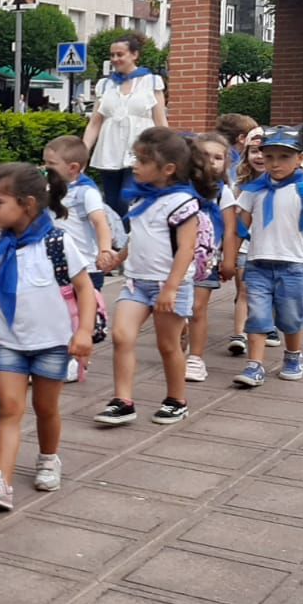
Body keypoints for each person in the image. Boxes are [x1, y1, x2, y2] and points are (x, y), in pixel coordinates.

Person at [0, 164, 95, 509]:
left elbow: (84, 289)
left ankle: (49, 458)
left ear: (28, 204)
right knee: (9, 408)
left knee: (46, 408)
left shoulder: (58, 242)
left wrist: (83, 332)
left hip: (53, 343)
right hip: (9, 343)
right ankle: (0, 481)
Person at [95, 128, 214, 426]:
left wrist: (171, 289)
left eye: (142, 160)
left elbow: (186, 248)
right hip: (136, 282)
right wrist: (118, 258)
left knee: (168, 345)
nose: (135, 165)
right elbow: (138, 238)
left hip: (168, 285)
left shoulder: (182, 202)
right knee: (122, 336)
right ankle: (122, 400)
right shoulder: (141, 199)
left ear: (168, 169)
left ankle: (176, 399)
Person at [229, 127, 303, 387]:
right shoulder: (253, 190)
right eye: (269, 156)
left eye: (284, 157)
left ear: (300, 159)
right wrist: (228, 258)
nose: (274, 163)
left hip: (292, 265)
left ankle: (293, 355)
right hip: (257, 263)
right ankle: (254, 365)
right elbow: (241, 227)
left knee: (290, 317)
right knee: (258, 315)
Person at [43, 136, 119, 357]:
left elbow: (100, 222)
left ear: (73, 168)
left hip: (85, 266)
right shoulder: (51, 191)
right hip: (57, 265)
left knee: (81, 314)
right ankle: (62, 356)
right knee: (59, 314)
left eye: (51, 164)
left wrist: (104, 250)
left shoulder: (86, 192)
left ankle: (79, 360)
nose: (46, 168)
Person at [82, 34, 168, 218]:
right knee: (111, 203)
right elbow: (95, 123)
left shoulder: (151, 82)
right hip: (109, 151)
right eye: (112, 55)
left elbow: (160, 121)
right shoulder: (105, 85)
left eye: (120, 54)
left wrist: (166, 151)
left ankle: (131, 241)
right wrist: (83, 151)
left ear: (134, 55)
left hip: (140, 151)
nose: (115, 59)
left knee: (127, 199)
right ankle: (116, 242)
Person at [184, 134, 239, 383]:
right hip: (177, 260)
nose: (212, 162)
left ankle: (195, 358)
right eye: (206, 156)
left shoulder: (223, 193)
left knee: (197, 308)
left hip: (206, 261)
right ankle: (180, 346)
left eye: (218, 158)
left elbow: (229, 229)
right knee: (178, 311)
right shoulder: (181, 189)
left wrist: (229, 259)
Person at [227, 129, 265, 356]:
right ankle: (239, 334)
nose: (259, 156)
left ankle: (264, 324)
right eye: (254, 151)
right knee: (244, 289)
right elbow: (234, 217)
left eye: (263, 151)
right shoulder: (241, 183)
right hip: (244, 243)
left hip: (271, 246)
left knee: (265, 291)